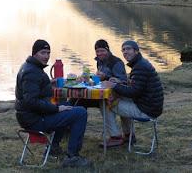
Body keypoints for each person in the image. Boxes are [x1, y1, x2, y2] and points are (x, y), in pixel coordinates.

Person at [15, 39, 91, 168]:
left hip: (32, 116)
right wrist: (56, 109)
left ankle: (53, 149)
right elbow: (31, 101)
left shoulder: (31, 67)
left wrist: (49, 83)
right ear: (34, 54)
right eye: (43, 53)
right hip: (35, 120)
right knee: (80, 112)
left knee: (67, 107)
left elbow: (34, 90)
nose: (46, 56)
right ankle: (72, 157)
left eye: (48, 53)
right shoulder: (31, 72)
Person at [102, 40, 164, 147]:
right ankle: (128, 135)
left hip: (146, 110)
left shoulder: (140, 67)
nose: (125, 52)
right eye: (123, 50)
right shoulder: (140, 64)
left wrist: (114, 86)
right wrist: (120, 83)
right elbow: (137, 87)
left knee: (106, 102)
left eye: (128, 49)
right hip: (149, 105)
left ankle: (115, 137)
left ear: (136, 51)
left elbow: (133, 92)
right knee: (119, 99)